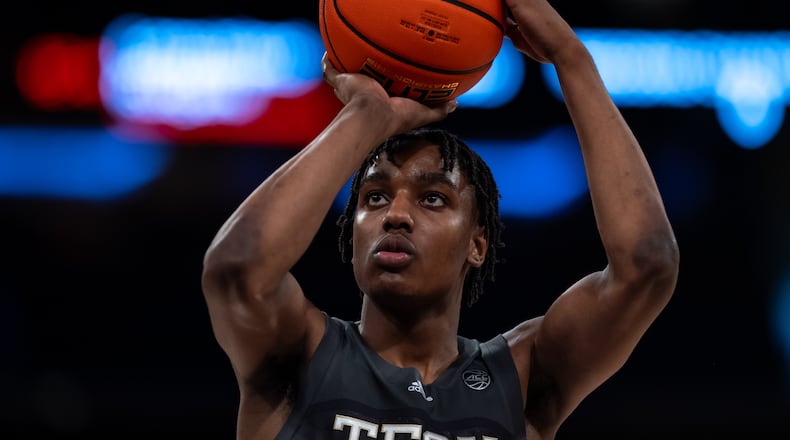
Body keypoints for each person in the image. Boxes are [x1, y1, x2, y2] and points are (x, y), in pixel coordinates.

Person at [201, 0, 680, 438]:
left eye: (432, 198)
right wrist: (366, 116)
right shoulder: (298, 354)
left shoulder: (521, 379)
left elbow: (647, 265)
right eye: (373, 197)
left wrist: (571, 58)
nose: (396, 215)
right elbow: (236, 267)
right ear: (350, 234)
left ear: (478, 244)